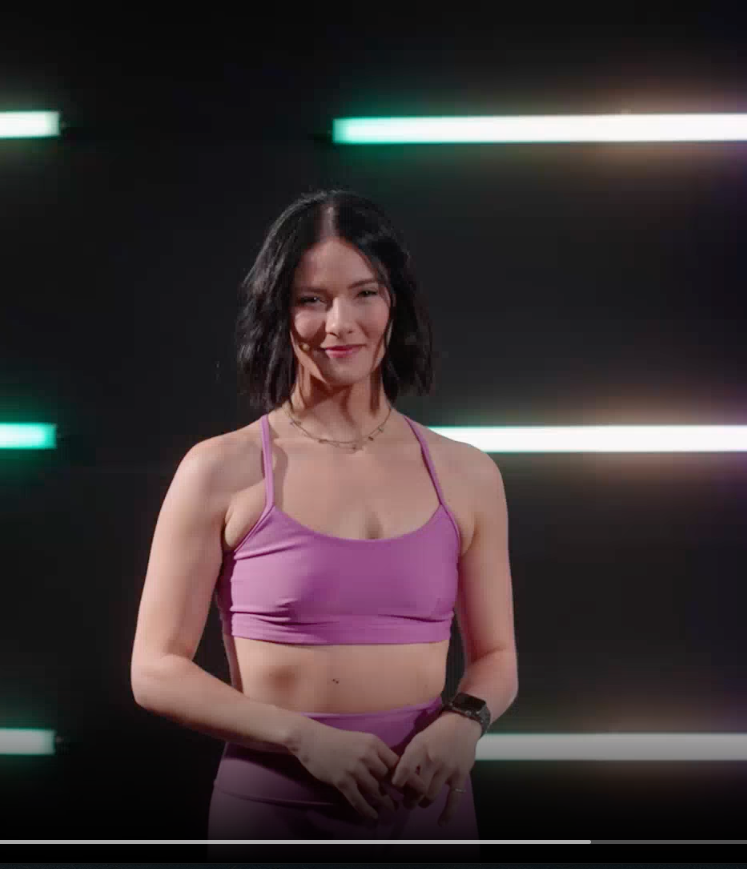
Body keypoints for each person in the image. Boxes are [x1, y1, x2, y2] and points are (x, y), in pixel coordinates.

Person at [130, 189, 518, 856]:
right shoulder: (221, 469)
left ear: (394, 300)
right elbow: (155, 669)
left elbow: (497, 658)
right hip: (272, 813)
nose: (340, 322)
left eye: (364, 292)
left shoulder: (466, 472)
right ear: (278, 311)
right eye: (311, 299)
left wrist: (465, 722)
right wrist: (303, 737)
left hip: (428, 814)